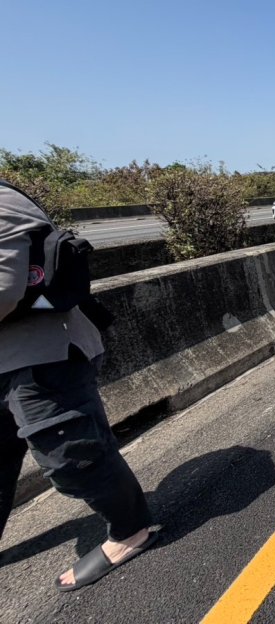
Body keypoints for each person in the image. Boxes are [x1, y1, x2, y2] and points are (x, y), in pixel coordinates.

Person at [0, 181, 159, 590]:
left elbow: (6, 285)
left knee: (72, 458)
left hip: (41, 353)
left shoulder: (2, 199)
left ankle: (131, 530)